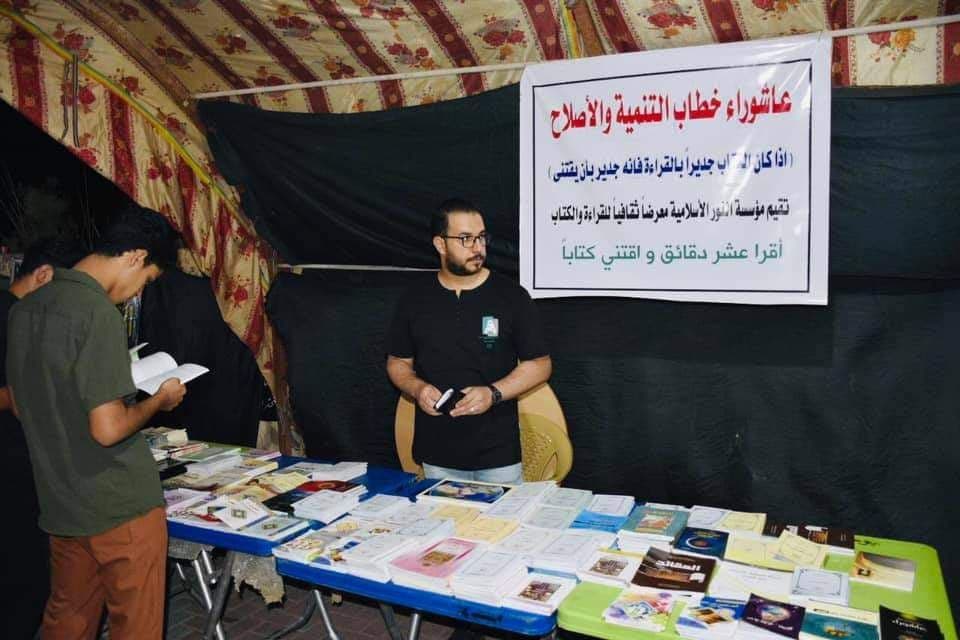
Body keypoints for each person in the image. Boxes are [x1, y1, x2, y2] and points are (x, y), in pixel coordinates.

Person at [6, 206, 187, 639]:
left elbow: (22, 404)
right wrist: (159, 401)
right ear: (135, 257)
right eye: (146, 281)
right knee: (136, 626)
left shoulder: (26, 307)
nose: (136, 293)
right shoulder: (96, 310)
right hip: (119, 504)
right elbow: (107, 429)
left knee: (67, 620)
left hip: (61, 500)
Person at [386, 198, 552, 485]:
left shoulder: (511, 296)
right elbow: (397, 362)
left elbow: (540, 364)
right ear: (440, 244)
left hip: (498, 455)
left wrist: (493, 393)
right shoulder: (415, 298)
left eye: (481, 237)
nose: (478, 248)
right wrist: (417, 388)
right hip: (437, 454)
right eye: (465, 239)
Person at [0, 237, 85, 639]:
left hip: (26, 459)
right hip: (11, 465)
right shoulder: (9, 317)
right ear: (44, 275)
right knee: (25, 574)